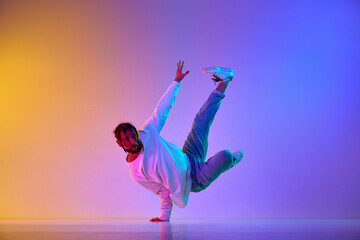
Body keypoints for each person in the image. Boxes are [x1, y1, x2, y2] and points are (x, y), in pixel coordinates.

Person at [113, 60, 244, 222]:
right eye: (127, 139)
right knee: (225, 155)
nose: (133, 140)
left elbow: (162, 109)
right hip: (193, 179)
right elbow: (162, 190)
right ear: (120, 143)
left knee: (200, 121)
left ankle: (224, 81)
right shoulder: (135, 172)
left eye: (133, 135)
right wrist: (164, 216)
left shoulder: (146, 132)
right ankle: (231, 161)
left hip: (188, 155)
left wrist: (176, 82)